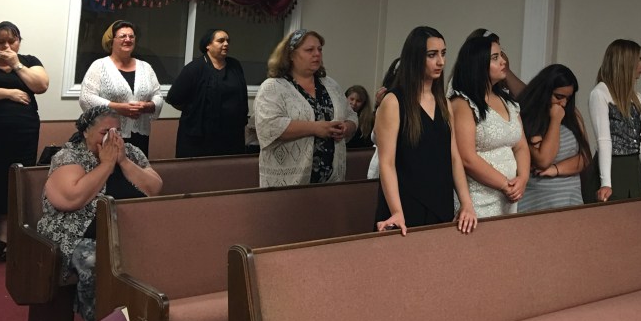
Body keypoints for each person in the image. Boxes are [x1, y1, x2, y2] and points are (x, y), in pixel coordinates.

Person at [37, 107, 162, 321]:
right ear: (86, 131)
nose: (112, 139)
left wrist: (123, 162)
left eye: (117, 132)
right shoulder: (70, 156)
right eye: (105, 132)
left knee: (156, 254)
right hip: (75, 232)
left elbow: (154, 188)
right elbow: (72, 199)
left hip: (125, 231)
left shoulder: (131, 152)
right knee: (98, 263)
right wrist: (106, 165)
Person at [375, 27, 476, 235]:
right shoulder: (393, 102)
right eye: (432, 55)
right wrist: (396, 211)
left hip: (440, 201)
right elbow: (386, 163)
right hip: (405, 203)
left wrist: (466, 203)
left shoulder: (444, 103)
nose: (441, 61)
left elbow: (454, 157)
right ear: (415, 58)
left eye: (443, 53)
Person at [0, 21, 49, 264]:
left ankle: (6, 239)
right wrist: (8, 93)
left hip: (22, 135)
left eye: (11, 41)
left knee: (14, 183)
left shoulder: (29, 61)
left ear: (19, 42)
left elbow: (41, 85)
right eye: (0, 41)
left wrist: (16, 64)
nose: (5, 46)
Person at [255, 30, 357, 187]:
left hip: (331, 181)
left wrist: (347, 127)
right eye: (309, 50)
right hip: (289, 181)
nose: (317, 54)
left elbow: (351, 115)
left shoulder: (331, 85)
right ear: (291, 55)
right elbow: (269, 126)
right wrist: (315, 128)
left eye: (319, 49)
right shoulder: (273, 87)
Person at [449, 30, 530, 217]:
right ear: (478, 64)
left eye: (501, 55)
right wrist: (504, 184)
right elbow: (467, 157)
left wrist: (523, 178)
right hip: (478, 199)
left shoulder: (508, 102)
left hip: (509, 197)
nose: (503, 61)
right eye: (495, 58)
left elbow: (521, 146)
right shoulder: (463, 103)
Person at [588, 39, 641, 203]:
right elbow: (604, 141)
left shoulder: (637, 98)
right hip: (612, 168)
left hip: (633, 168)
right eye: (639, 60)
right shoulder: (600, 93)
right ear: (626, 63)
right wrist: (606, 183)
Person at [79, 20, 163, 156]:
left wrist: (148, 106)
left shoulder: (146, 67)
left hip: (140, 136)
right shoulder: (99, 66)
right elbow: (86, 98)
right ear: (111, 41)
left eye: (131, 36)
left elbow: (158, 95)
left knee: (137, 167)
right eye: (123, 36)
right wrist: (117, 108)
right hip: (108, 135)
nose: (128, 40)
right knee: (108, 168)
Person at [517, 64, 591, 212]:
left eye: (568, 98)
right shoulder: (530, 118)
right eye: (558, 97)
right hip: (539, 201)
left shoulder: (573, 115)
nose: (563, 103)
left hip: (571, 199)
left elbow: (585, 157)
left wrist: (556, 169)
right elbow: (544, 159)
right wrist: (555, 120)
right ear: (544, 91)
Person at [166, 28, 248, 157]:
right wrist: (194, 110)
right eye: (221, 41)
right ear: (208, 45)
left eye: (227, 41)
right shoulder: (194, 68)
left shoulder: (235, 65)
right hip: (199, 137)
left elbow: (242, 95)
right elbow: (174, 98)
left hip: (231, 135)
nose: (226, 44)